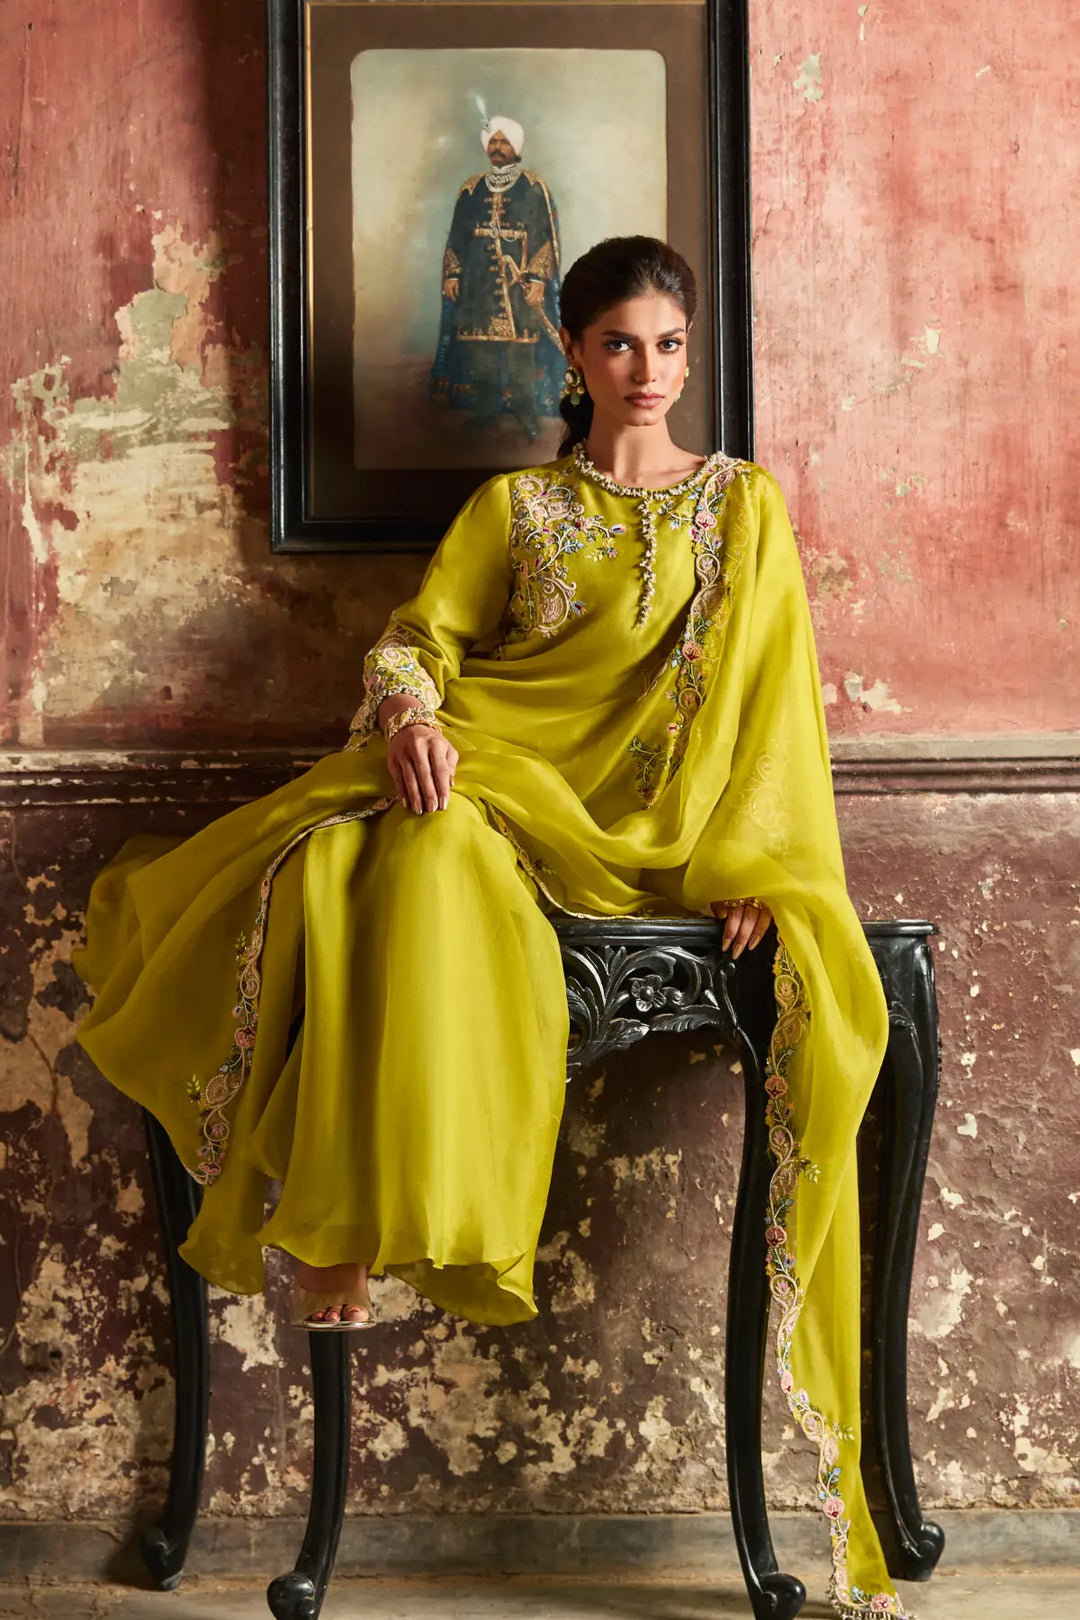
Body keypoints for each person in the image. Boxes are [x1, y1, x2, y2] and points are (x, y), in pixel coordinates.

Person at [75, 236, 911, 1619]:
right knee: (384, 853)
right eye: (621, 345)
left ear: (691, 357)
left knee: (392, 860)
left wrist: (755, 862)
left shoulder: (743, 509)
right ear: (573, 356)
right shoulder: (517, 509)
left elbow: (775, 716)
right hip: (492, 786)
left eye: (671, 347)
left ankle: (346, 1221)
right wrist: (406, 712)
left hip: (657, 837)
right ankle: (344, 1241)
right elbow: (419, 639)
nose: (649, 372)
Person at [429, 113, 564, 435]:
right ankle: (485, 411)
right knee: (481, 352)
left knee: (521, 351)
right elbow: (456, 237)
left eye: (504, 141)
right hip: (477, 282)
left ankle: (525, 413)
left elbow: (546, 238)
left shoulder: (533, 186)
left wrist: (535, 280)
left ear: (516, 147)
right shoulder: (471, 188)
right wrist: (452, 274)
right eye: (493, 141)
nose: (498, 147)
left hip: (517, 282)